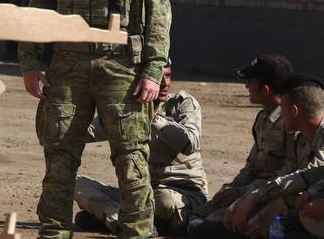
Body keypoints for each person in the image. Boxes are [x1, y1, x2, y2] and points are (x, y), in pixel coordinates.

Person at [17, 0, 173, 237]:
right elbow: (37, 6)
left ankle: (138, 232)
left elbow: (159, 16)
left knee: (132, 157)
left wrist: (152, 70)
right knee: (59, 157)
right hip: (67, 65)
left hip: (121, 67)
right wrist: (30, 63)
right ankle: (54, 231)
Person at [74, 61, 207, 236]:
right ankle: (119, 222)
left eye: (168, 75)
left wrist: (155, 119)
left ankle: (114, 216)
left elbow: (191, 143)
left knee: (164, 201)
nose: (165, 83)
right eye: (159, 77)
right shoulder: (129, 106)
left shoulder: (183, 103)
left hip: (182, 193)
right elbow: (87, 132)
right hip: (140, 190)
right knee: (77, 183)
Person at [190, 73, 324, 238]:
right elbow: (290, 175)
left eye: (282, 108)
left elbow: (308, 178)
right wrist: (250, 194)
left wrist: (254, 197)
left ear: (294, 111)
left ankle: (245, 230)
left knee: (285, 201)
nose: (280, 114)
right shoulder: (302, 139)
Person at [189, 55, 294, 224]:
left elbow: (289, 175)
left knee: (205, 227)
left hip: (270, 194)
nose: (246, 86)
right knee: (195, 215)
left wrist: (241, 193)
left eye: (250, 82)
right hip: (251, 191)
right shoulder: (263, 119)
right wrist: (233, 188)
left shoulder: (290, 123)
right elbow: (251, 166)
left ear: (265, 90)